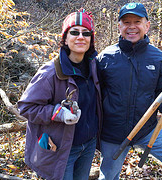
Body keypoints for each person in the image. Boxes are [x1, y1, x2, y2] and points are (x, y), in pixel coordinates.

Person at [97, 3, 162, 180]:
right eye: (126, 22)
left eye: (137, 21)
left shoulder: (159, 59)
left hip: (148, 130)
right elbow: (94, 96)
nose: (132, 26)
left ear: (147, 25)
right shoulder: (105, 57)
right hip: (113, 133)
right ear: (119, 26)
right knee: (107, 177)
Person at [18, 8, 102, 180]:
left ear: (91, 39)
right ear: (65, 37)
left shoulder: (95, 66)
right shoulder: (50, 72)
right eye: (74, 32)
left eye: (86, 33)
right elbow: (26, 108)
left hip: (89, 144)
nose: (80, 37)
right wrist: (57, 113)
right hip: (62, 148)